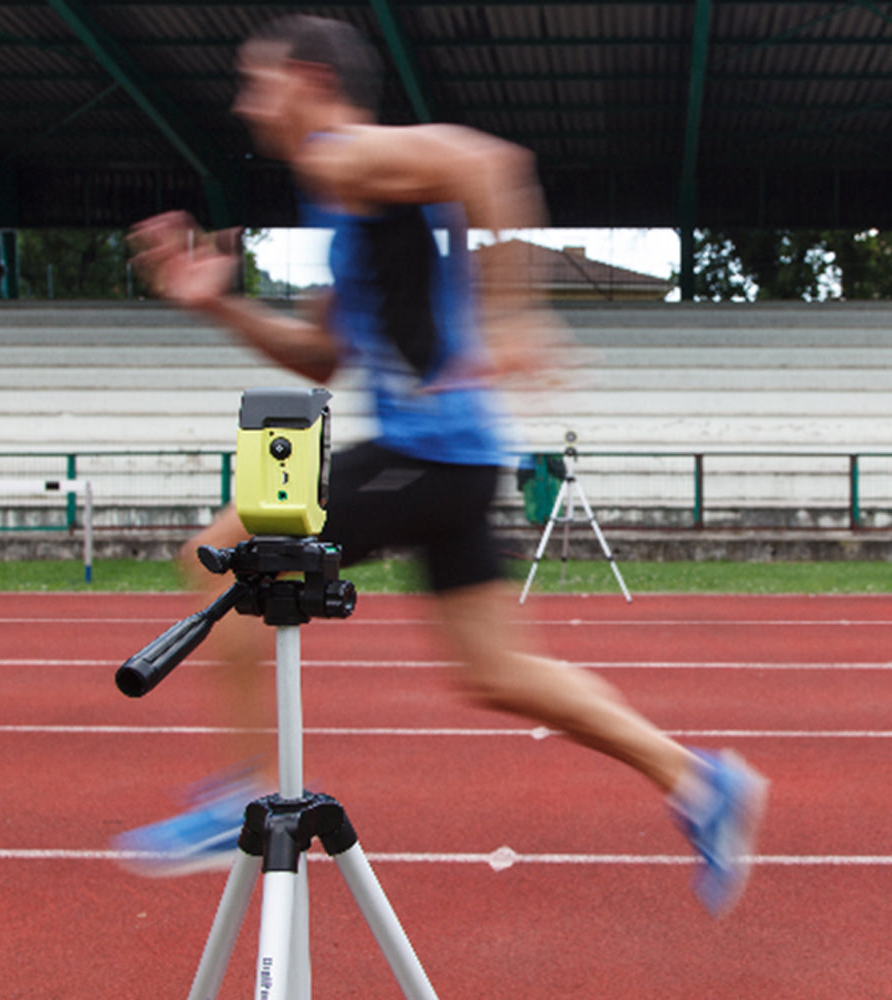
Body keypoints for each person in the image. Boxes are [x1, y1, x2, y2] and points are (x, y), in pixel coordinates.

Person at [116, 14, 767, 917]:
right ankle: (702, 783)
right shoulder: (345, 202)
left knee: (221, 555)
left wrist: (511, 318)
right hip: (449, 456)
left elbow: (488, 164)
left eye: (254, 80)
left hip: (426, 449)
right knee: (496, 672)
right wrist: (217, 307)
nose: (242, 102)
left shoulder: (344, 156)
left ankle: (241, 788)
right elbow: (320, 356)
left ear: (308, 79)